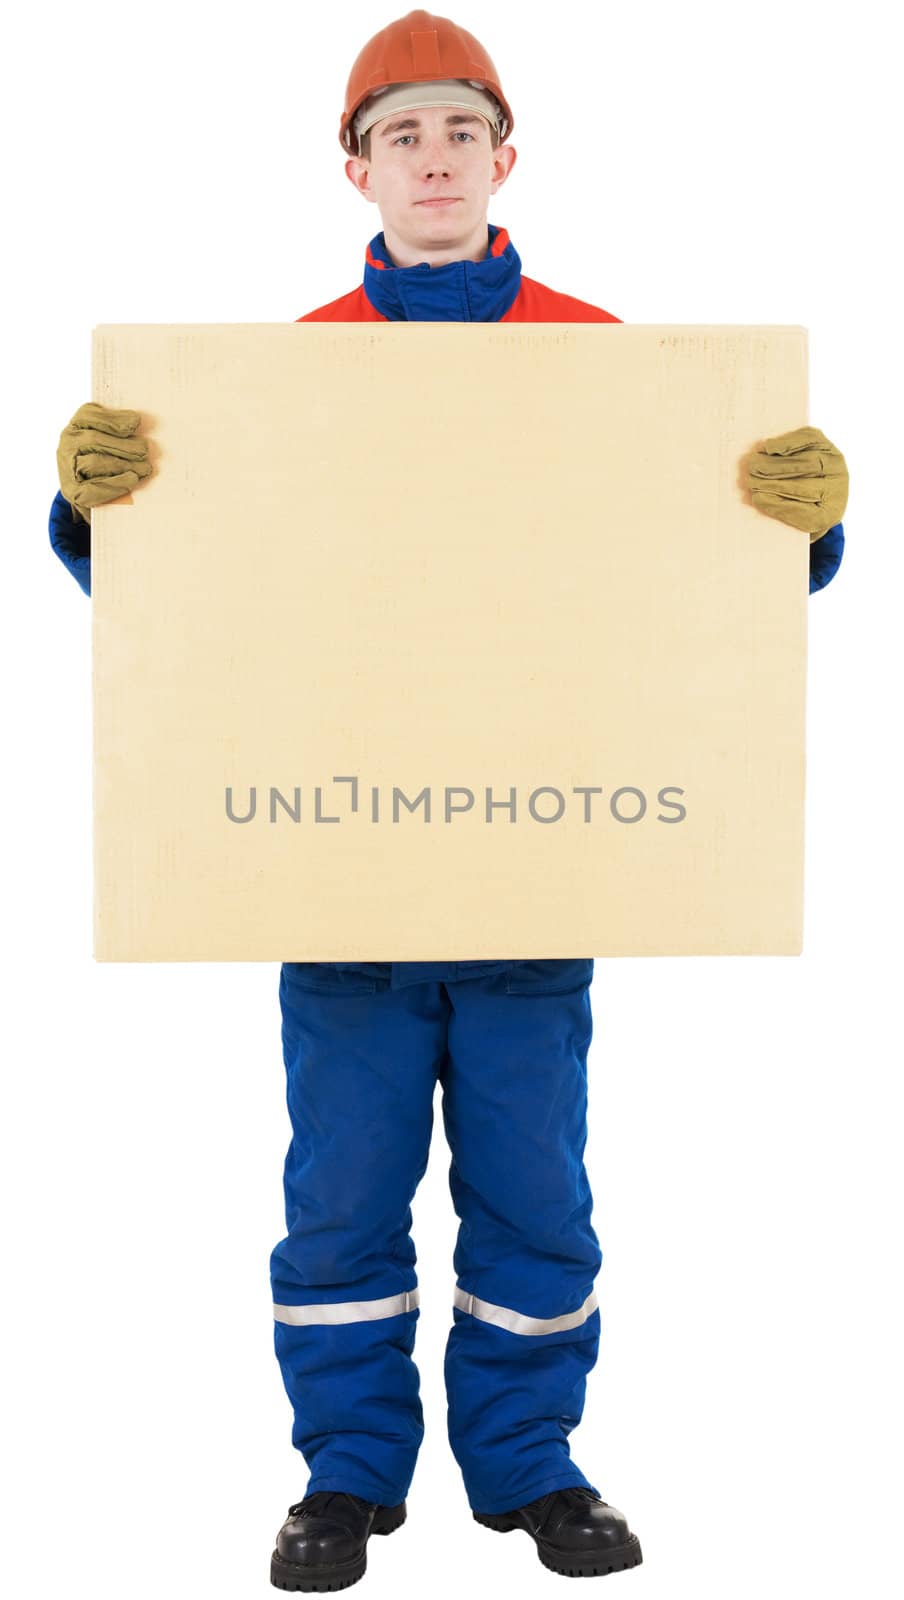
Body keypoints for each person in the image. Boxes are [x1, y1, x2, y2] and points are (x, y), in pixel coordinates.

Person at [49, 9, 848, 1591]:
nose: (433, 157)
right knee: (338, 1198)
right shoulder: (272, 378)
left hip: (534, 872)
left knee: (534, 1193)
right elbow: (194, 609)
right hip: (333, 876)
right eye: (401, 134)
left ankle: (533, 1468)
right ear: (356, 170)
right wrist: (95, 510)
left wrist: (802, 529)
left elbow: (697, 598)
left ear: (505, 157)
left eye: (458, 131)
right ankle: (345, 1477)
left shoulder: (617, 359)